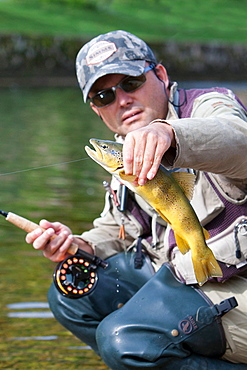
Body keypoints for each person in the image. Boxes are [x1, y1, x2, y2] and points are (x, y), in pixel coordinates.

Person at [26, 30, 247, 369]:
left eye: (130, 83)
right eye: (103, 96)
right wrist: (76, 245)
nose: (122, 100)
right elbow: (116, 229)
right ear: (96, 110)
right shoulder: (121, 153)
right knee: (74, 291)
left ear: (160, 75)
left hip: (233, 284)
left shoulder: (209, 106)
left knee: (125, 341)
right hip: (180, 277)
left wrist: (169, 134)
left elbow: (237, 138)